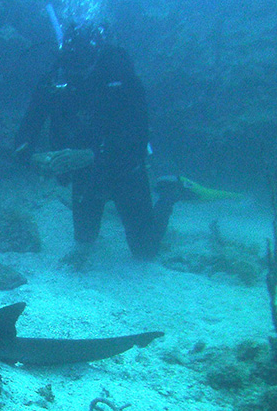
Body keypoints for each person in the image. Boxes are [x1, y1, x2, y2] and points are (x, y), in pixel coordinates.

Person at [14, 21, 196, 269]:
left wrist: (91, 154)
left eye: (82, 64)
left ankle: (170, 194)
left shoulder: (122, 78)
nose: (77, 73)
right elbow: (27, 130)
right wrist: (33, 157)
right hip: (85, 174)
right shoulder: (57, 78)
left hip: (124, 169)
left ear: (96, 56)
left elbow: (139, 136)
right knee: (84, 240)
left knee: (145, 250)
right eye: (71, 64)